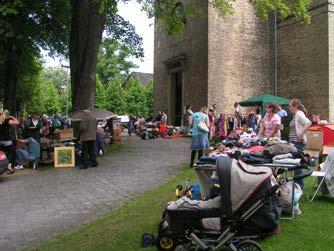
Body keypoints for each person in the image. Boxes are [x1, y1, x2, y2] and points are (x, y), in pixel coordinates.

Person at [288, 98, 311, 190]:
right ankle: (298, 185)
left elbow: (308, 123)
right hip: (295, 143)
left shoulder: (299, 114)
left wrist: (301, 134)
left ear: (295, 106)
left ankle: (299, 186)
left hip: (298, 143)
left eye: (290, 106)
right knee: (296, 165)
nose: (289, 108)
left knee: (297, 165)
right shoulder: (296, 115)